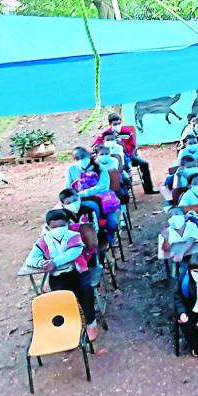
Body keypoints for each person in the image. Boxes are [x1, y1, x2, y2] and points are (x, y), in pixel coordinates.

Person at [25, 209, 99, 341]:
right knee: (60, 299)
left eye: (62, 226)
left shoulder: (73, 235)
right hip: (58, 276)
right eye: (54, 227)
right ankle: (68, 327)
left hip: (78, 272)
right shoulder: (44, 241)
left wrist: (54, 262)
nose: (58, 229)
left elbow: (74, 252)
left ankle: (91, 323)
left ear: (68, 224)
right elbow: (30, 259)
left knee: (86, 291)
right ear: (48, 227)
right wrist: (42, 263)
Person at [94, 113, 158, 194]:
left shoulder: (127, 132)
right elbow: (97, 145)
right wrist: (106, 145)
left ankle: (149, 189)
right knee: (117, 170)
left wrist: (122, 145)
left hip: (128, 156)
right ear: (110, 124)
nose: (117, 125)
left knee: (144, 164)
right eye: (115, 124)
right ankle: (122, 191)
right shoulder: (105, 134)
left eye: (119, 123)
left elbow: (132, 146)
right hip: (112, 158)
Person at [66, 146, 119, 242]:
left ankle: (108, 236)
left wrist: (85, 193)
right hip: (81, 200)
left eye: (83, 156)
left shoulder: (99, 167)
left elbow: (103, 186)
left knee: (112, 223)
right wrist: (76, 196)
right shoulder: (71, 169)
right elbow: (68, 188)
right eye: (77, 158)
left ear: (88, 156)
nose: (81, 159)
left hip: (102, 199)